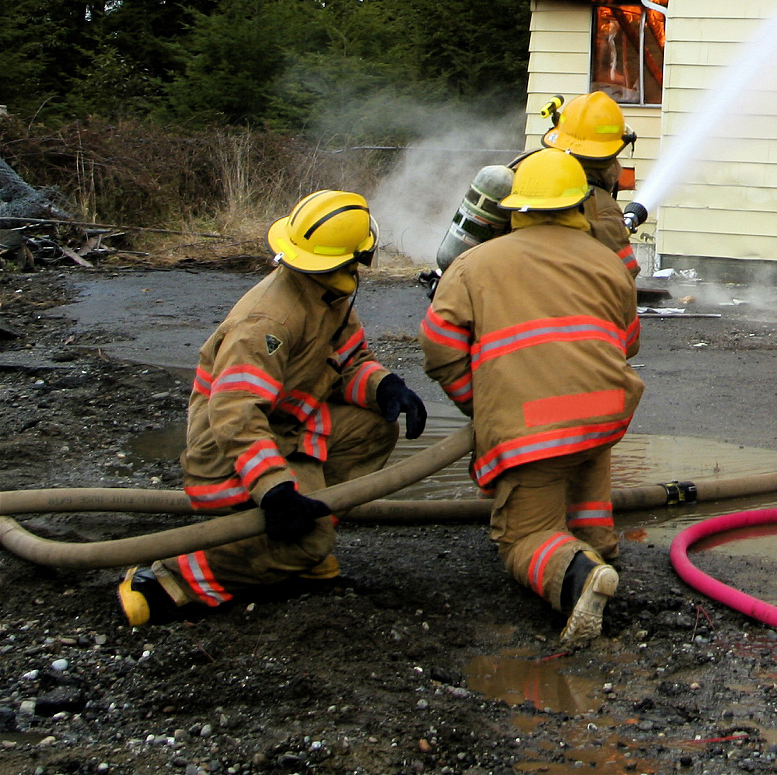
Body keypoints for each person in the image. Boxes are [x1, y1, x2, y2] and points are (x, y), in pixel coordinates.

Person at [116, 191, 429, 625]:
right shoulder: (267, 322)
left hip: (284, 432)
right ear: (354, 257)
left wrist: (385, 387)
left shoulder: (326, 294)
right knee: (309, 542)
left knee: (375, 426)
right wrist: (275, 489)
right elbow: (236, 414)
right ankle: (171, 579)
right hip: (230, 458)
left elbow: (349, 361)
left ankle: (296, 544)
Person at [419, 148, 643, 647]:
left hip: (534, 427)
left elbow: (439, 346)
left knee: (521, 535)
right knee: (584, 466)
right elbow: (628, 342)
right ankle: (597, 545)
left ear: (514, 208)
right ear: (578, 205)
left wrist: (482, 406)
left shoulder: (473, 265)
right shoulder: (610, 264)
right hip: (605, 413)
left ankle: (579, 574)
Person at [537, 92, 639, 270]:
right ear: (610, 157)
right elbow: (625, 273)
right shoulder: (603, 209)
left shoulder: (526, 173)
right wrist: (616, 233)